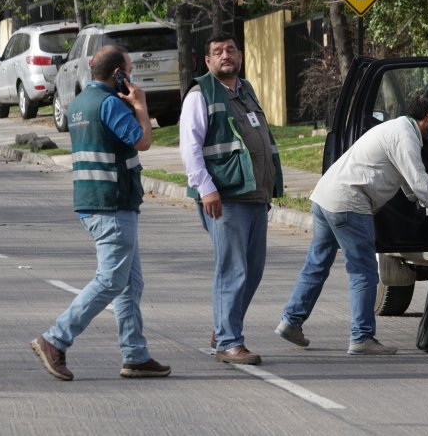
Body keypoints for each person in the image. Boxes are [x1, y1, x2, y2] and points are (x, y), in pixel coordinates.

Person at [275, 89, 428, 355]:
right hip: (349, 203)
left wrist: (426, 201)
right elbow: (420, 185)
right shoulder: (406, 138)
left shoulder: (397, 129)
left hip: (325, 196)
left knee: (317, 264)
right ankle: (361, 337)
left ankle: (291, 321)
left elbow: (409, 184)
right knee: (364, 272)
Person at [31, 45, 170, 380]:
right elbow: (142, 141)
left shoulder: (79, 103)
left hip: (93, 203)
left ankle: (135, 355)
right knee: (111, 280)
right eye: (129, 72)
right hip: (113, 205)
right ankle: (55, 339)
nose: (131, 78)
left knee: (129, 284)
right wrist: (140, 106)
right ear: (118, 74)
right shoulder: (110, 104)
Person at [179, 32, 283, 365]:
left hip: (254, 194)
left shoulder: (246, 91)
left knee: (252, 270)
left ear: (239, 55)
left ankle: (224, 326)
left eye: (231, 50)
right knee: (233, 269)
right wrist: (205, 188)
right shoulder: (200, 94)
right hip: (224, 196)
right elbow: (190, 147)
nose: (226, 55)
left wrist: (268, 189)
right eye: (218, 52)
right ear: (207, 61)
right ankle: (228, 341)